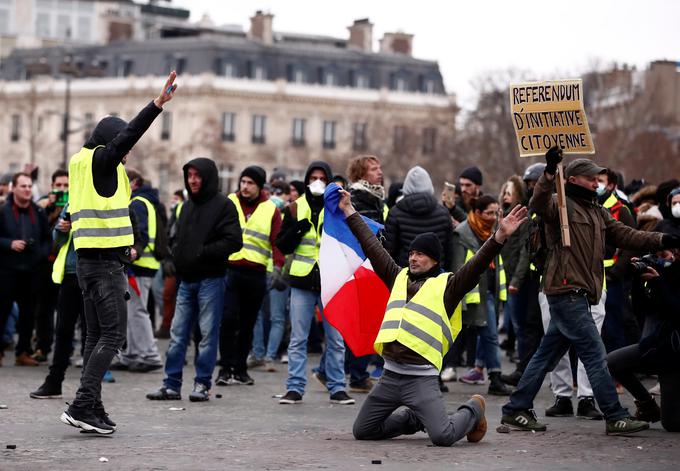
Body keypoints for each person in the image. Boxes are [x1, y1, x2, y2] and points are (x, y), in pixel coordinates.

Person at [501, 147, 680, 435]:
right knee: (596, 355)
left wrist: (662, 238)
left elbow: (626, 234)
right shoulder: (558, 204)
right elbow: (538, 200)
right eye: (591, 179)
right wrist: (549, 171)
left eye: (598, 179)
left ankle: (515, 409)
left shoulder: (596, 210)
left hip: (580, 292)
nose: (597, 183)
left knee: (545, 356)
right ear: (573, 180)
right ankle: (614, 414)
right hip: (565, 289)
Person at [340, 186, 528, 446]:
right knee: (363, 430)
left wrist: (499, 236)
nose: (413, 258)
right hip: (391, 376)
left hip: (421, 377)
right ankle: (413, 419)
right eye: (412, 253)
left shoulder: (448, 285)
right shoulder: (398, 276)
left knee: (443, 436)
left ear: (434, 259)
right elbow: (372, 247)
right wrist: (349, 210)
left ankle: (473, 410)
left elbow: (477, 265)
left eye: (421, 254)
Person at [58, 71, 177, 435]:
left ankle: (91, 406)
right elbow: (128, 135)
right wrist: (157, 105)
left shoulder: (80, 162)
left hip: (88, 261)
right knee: (113, 336)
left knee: (96, 336)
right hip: (105, 264)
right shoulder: (100, 161)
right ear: (112, 142)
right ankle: (81, 404)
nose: (126, 153)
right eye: (122, 146)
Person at [146, 157, 242, 402]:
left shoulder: (224, 206)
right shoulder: (186, 206)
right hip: (186, 280)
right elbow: (177, 239)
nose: (193, 180)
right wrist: (176, 257)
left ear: (207, 177)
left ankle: (202, 384)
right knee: (177, 335)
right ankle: (171, 384)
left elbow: (233, 241)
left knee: (208, 335)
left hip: (212, 279)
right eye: (189, 176)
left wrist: (203, 251)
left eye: (197, 176)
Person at [276, 161, 354, 405]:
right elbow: (282, 245)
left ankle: (338, 387)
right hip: (302, 280)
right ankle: (295, 387)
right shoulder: (293, 208)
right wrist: (298, 230)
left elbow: (348, 239)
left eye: (322, 177)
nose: (317, 181)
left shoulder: (336, 208)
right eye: (313, 177)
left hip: (331, 280)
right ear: (307, 180)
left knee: (336, 340)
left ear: (329, 180)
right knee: (299, 338)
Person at [216, 166, 284, 386]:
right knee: (228, 320)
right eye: (243, 181)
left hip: (256, 274)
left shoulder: (271, 209)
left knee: (248, 324)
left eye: (250, 183)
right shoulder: (229, 202)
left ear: (260, 186)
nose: (245, 187)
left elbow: (277, 243)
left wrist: (277, 268)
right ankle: (225, 368)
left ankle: (240, 369)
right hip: (230, 270)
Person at [607, 248, 680, 432]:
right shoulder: (667, 271)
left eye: (668, 254)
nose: (668, 258)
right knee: (613, 361)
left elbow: (675, 310)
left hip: (675, 354)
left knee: (672, 424)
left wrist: (658, 283)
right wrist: (641, 281)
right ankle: (647, 404)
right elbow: (642, 310)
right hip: (663, 348)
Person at [455, 196, 512, 396]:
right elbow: (457, 264)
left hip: (488, 291)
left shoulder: (494, 231)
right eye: (489, 213)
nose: (493, 217)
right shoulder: (462, 232)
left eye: (496, 213)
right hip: (470, 292)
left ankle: (491, 376)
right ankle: (435, 376)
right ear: (478, 213)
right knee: (462, 335)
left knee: (489, 334)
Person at [110, 168, 164, 372]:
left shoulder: (137, 203)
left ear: (133, 183)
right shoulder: (147, 202)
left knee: (137, 311)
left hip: (139, 266)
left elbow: (137, 235)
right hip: (145, 265)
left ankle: (149, 355)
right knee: (132, 311)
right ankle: (131, 354)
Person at [29, 203, 85, 398]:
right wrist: (61, 229)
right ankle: (54, 382)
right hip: (71, 273)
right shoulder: (73, 202)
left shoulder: (101, 197)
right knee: (63, 331)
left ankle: (89, 387)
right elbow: (58, 239)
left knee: (90, 333)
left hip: (94, 274)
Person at [345, 154, 388, 393]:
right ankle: (358, 375)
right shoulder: (358, 198)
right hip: (362, 266)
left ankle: (356, 373)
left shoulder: (375, 197)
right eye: (373, 169)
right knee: (364, 322)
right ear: (362, 174)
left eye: (379, 167)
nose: (379, 172)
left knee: (368, 321)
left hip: (372, 265)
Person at [0, 172, 50, 367]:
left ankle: (23, 351)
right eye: (23, 186)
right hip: (6, 270)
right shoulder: (3, 211)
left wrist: (41, 253)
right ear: (14, 188)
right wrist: (9, 244)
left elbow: (47, 238)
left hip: (31, 270)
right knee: (2, 311)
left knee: (28, 313)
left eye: (30, 186)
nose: (28, 189)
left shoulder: (38, 212)